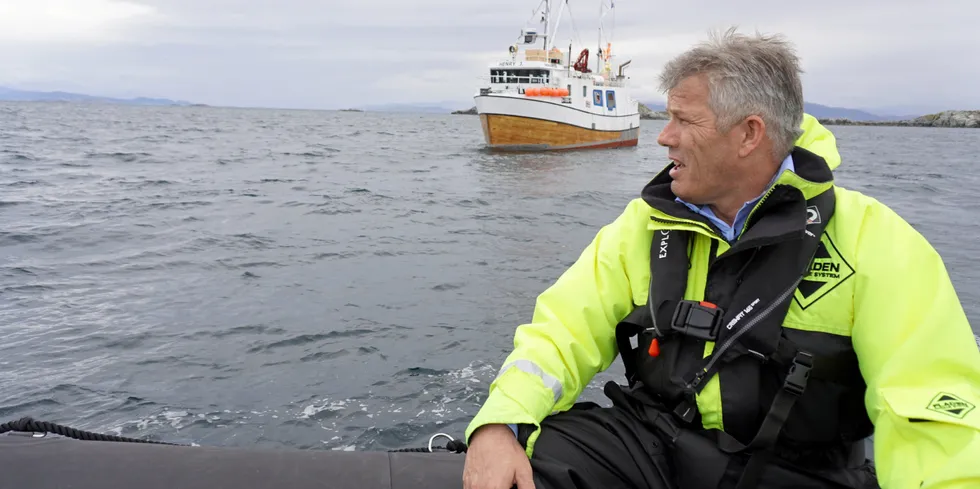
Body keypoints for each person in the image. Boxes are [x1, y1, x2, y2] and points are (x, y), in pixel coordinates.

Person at [461, 28, 980, 489]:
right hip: (650, 445)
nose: (663, 137)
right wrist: (501, 421)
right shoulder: (644, 225)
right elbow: (561, 331)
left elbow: (933, 418)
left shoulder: (877, 243)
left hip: (797, 471)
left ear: (749, 134)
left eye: (684, 120)